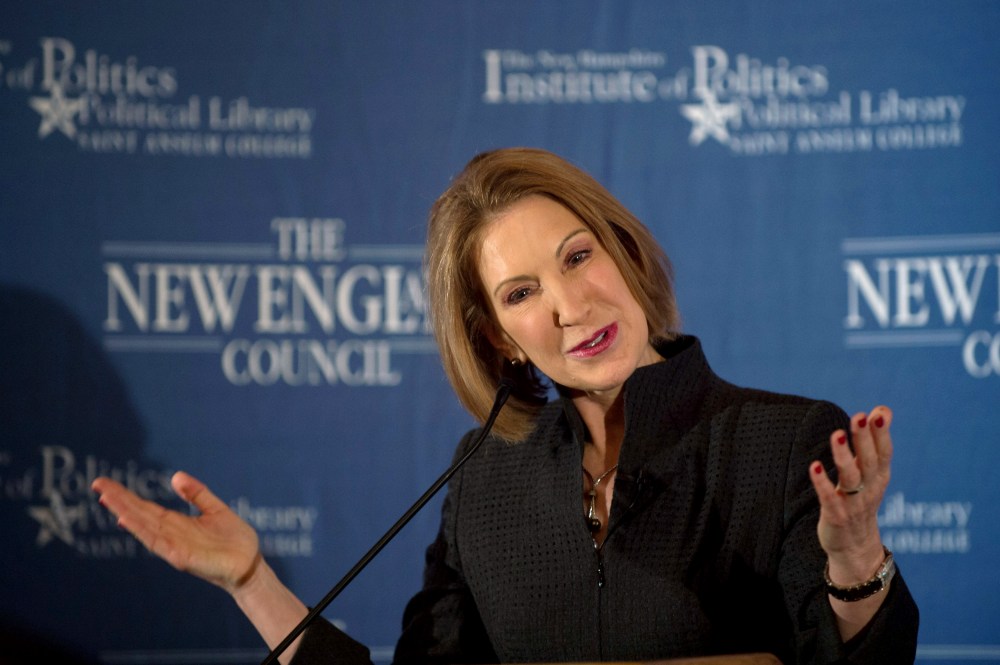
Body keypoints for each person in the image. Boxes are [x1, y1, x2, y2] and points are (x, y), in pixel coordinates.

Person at [93, 147, 919, 664]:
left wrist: (854, 565)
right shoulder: (484, 478)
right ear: (499, 338)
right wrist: (250, 579)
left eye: (578, 256)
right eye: (524, 291)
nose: (569, 305)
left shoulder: (784, 442)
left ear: (625, 253)